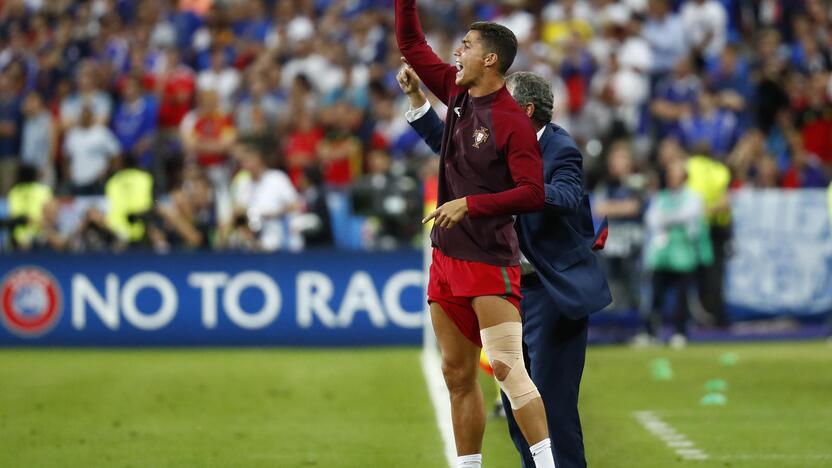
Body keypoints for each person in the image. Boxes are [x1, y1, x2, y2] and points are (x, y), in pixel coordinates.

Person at [400, 67, 611, 468]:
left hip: (550, 288)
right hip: (511, 283)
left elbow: (567, 196)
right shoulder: (495, 145)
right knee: (515, 400)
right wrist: (417, 102)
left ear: (526, 110)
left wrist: (512, 188)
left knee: (550, 402)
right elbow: (447, 148)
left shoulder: (559, 148)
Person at [395, 2, 554, 467]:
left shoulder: (511, 121)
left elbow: (532, 193)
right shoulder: (457, 92)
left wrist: (470, 205)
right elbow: (410, 44)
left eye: (465, 46)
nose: (456, 52)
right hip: (446, 258)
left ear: (490, 59)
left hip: (490, 261)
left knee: (507, 368)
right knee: (456, 374)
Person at [643, 160, 711, 348]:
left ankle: (680, 332)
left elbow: (687, 214)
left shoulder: (693, 197)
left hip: (684, 255)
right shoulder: (660, 197)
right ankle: (650, 333)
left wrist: (666, 218)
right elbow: (651, 220)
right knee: (655, 296)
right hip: (662, 256)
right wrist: (670, 219)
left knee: (682, 298)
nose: (672, 179)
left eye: (676, 175)